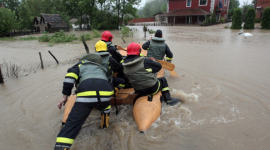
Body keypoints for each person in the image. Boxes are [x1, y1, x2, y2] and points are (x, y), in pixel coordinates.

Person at [54, 53, 114, 150]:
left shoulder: (78, 66)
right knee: (105, 107)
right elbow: (110, 80)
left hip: (87, 90)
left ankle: (61, 147)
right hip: (106, 91)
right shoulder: (101, 68)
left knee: (72, 124)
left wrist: (65, 97)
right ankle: (105, 127)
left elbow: (69, 80)